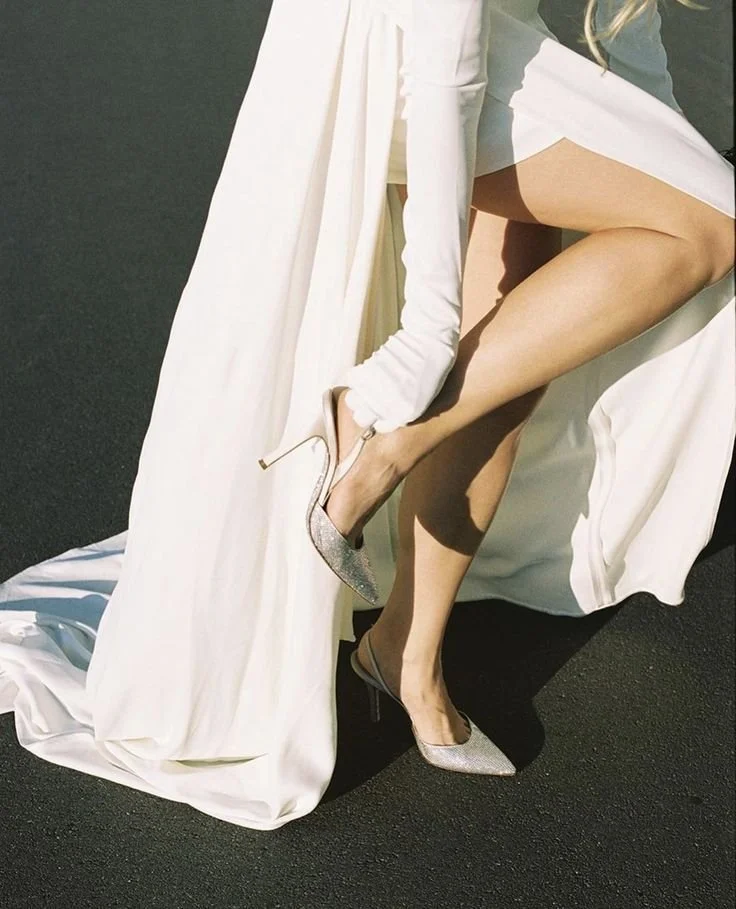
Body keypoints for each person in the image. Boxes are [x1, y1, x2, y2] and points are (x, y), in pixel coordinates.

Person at [0, 0, 733, 829]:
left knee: (508, 336)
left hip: (495, 45)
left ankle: (406, 651)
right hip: (394, 55)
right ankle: (379, 435)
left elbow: (621, 19)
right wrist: (417, 339)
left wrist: (653, 134)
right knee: (709, 224)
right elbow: (443, 55)